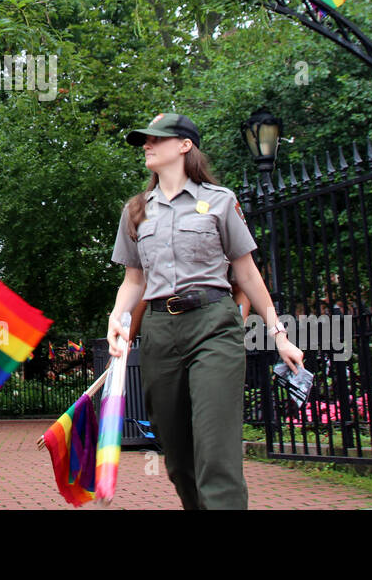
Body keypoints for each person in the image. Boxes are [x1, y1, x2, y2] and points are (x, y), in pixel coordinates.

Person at [107, 112, 304, 510]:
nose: (147, 145)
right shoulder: (136, 210)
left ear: (184, 146)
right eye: (145, 140)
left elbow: (247, 273)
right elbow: (134, 280)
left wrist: (280, 335)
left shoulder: (219, 201)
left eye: (156, 139)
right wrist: (118, 317)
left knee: (216, 450)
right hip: (161, 332)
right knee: (178, 456)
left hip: (214, 325)